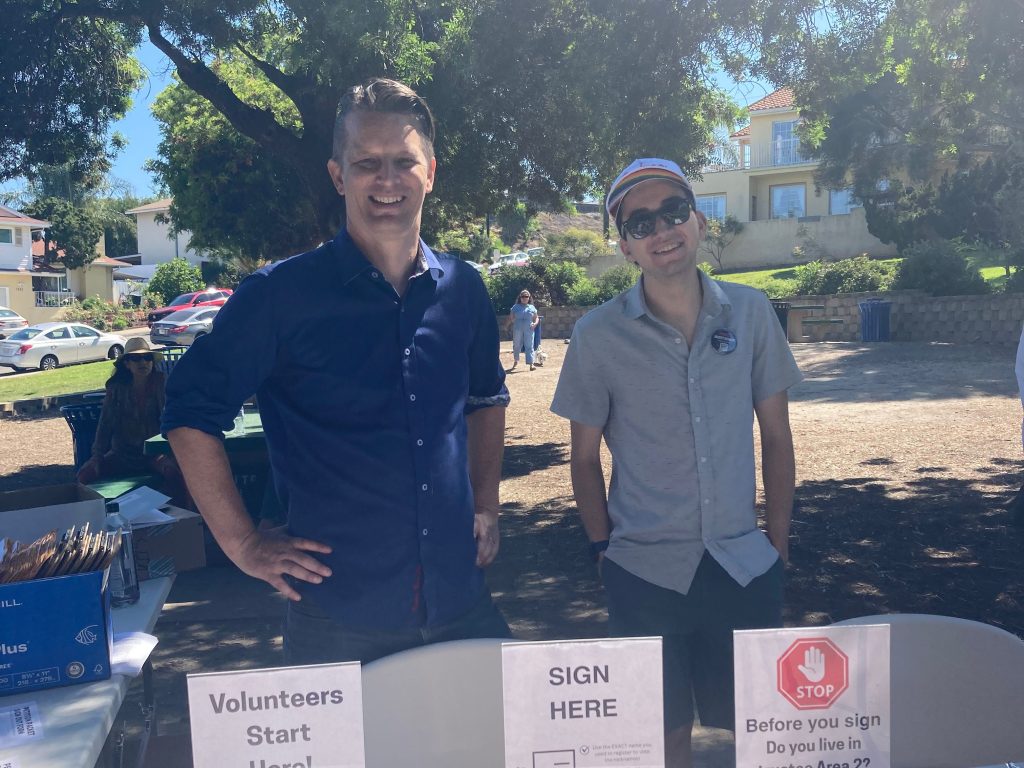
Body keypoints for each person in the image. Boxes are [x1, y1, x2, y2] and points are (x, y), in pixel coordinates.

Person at [162, 78, 511, 665]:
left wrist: (487, 505)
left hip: (461, 599)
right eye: (367, 162)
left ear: (431, 172)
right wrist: (243, 543)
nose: (387, 179)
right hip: (340, 616)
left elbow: (485, 399)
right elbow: (189, 412)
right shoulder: (279, 296)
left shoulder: (464, 290)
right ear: (337, 175)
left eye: (404, 161)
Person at [551, 158, 802, 767]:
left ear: (697, 221)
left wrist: (778, 542)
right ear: (624, 244)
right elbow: (583, 459)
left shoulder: (751, 313)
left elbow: (776, 433)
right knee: (660, 739)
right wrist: (600, 549)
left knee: (760, 732)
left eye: (674, 211)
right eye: (641, 222)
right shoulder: (597, 335)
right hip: (645, 574)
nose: (661, 230)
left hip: (744, 565)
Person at [77, 337, 184, 496]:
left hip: (154, 454)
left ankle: (177, 516)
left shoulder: (161, 383)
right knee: (84, 476)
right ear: (126, 364)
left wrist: (173, 453)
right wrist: (97, 457)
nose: (143, 363)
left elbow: (170, 420)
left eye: (147, 358)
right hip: (122, 454)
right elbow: (105, 425)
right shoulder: (116, 389)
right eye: (136, 358)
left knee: (176, 474)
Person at [506, 289, 539, 371]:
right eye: (523, 296)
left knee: (529, 345)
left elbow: (536, 317)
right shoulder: (515, 307)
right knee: (516, 345)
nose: (524, 298)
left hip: (529, 329)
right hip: (517, 328)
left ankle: (531, 364)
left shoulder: (532, 307)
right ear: (520, 297)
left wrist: (535, 324)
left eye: (526, 296)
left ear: (529, 298)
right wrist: (508, 326)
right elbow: (511, 317)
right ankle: (516, 361)